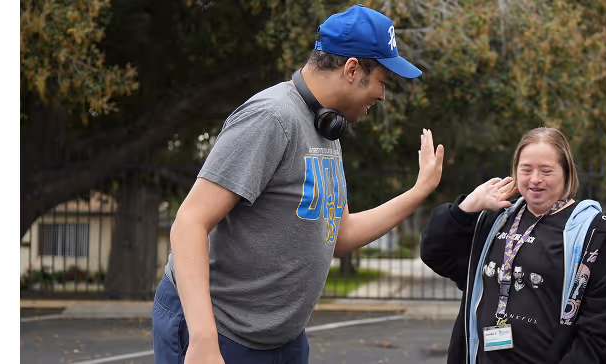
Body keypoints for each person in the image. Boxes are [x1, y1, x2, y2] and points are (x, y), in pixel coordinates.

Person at [152, 4, 444, 364]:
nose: (383, 95)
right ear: (352, 69)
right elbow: (189, 224)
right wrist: (203, 340)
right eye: (383, 81)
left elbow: (340, 234)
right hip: (220, 333)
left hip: (281, 341)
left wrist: (419, 191)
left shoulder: (327, 128)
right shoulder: (271, 118)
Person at [420, 127, 606, 364]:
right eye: (526, 170)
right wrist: (466, 207)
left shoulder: (596, 236)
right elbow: (435, 252)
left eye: (546, 171)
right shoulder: (494, 220)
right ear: (515, 171)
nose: (535, 179)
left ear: (566, 173)